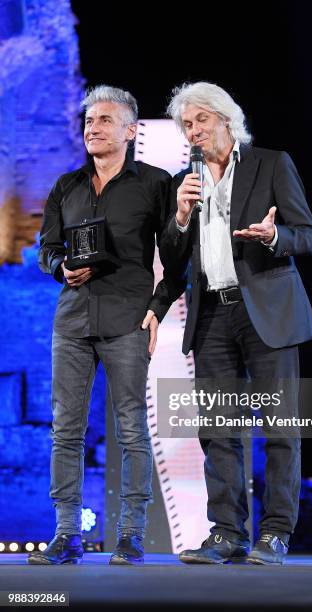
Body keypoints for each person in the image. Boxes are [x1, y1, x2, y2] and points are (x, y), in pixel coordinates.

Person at [161, 82, 312, 565]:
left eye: (201, 121)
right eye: (187, 125)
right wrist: (182, 216)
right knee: (218, 429)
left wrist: (275, 235)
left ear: (226, 120)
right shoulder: (181, 181)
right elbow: (171, 258)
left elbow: (309, 236)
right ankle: (227, 533)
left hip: (266, 312)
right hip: (210, 313)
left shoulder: (271, 164)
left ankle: (275, 533)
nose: (194, 132)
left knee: (278, 426)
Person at [28, 85, 181, 566]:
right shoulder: (66, 186)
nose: (92, 128)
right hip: (72, 321)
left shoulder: (157, 184)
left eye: (104, 120)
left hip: (126, 320)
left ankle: (131, 534)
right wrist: (59, 269)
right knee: (66, 431)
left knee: (132, 428)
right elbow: (46, 249)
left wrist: (157, 306)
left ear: (131, 131)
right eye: (89, 120)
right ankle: (66, 535)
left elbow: (177, 258)